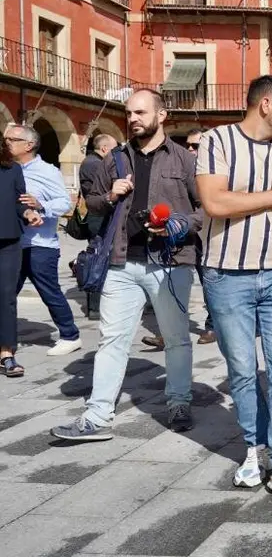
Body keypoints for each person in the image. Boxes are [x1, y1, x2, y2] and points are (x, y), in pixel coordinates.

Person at [50, 89, 203, 441]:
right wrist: (109, 195)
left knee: (177, 339)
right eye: (129, 113)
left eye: (140, 112)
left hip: (170, 262)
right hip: (120, 262)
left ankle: (179, 401)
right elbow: (90, 204)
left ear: (161, 115)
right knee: (111, 340)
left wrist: (179, 224)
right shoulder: (115, 159)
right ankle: (97, 414)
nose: (132, 118)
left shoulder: (185, 160)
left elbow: (205, 207)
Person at [195, 75, 272, 492]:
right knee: (243, 370)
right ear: (266, 104)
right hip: (226, 273)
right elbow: (215, 202)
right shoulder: (218, 140)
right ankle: (253, 448)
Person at [4, 124, 81, 356]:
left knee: (49, 291)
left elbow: (65, 203)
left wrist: (41, 205)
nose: (6, 142)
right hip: (12, 244)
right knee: (5, 293)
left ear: (28, 145)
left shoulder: (47, 171)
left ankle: (70, 335)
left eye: (11, 139)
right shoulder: (7, 169)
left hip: (40, 245)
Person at [141, 128, 216, 348]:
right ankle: (168, 331)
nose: (190, 149)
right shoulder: (182, 166)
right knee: (170, 283)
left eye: (196, 146)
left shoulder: (214, 171)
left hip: (208, 235)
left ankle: (213, 326)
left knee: (208, 282)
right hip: (179, 235)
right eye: (189, 145)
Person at [0, 139, 43, 377]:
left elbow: (19, 203)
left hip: (8, 241)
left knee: (6, 297)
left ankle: (6, 353)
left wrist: (28, 212)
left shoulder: (12, 169)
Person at [78, 133, 119, 320]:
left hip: (102, 217)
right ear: (104, 149)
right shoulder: (93, 164)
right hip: (98, 218)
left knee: (103, 259)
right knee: (97, 259)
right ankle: (94, 307)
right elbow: (107, 186)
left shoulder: (93, 162)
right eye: (115, 148)